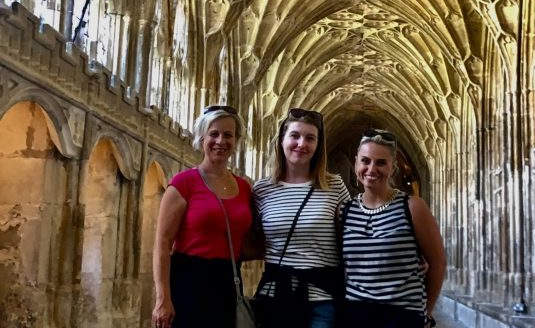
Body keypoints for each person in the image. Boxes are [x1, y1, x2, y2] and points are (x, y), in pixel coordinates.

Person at [152, 105, 252, 328]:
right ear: (202, 138)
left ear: (236, 141)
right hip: (189, 283)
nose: (220, 141)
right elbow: (162, 243)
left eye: (228, 135)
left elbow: (244, 241)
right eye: (213, 134)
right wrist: (163, 299)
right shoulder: (183, 183)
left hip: (228, 282)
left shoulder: (245, 189)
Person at [252, 108, 351, 328]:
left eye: (310, 138)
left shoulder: (333, 186)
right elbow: (252, 241)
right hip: (275, 296)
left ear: (318, 146)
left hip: (321, 299)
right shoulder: (262, 189)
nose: (301, 144)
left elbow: (353, 236)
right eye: (295, 136)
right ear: (282, 140)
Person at [339, 129, 446, 328]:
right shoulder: (345, 211)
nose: (371, 169)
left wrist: (425, 312)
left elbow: (438, 261)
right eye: (365, 161)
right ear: (355, 163)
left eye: (381, 162)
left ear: (393, 167)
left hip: (402, 315)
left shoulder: (412, 206)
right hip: (355, 314)